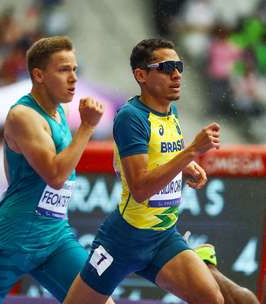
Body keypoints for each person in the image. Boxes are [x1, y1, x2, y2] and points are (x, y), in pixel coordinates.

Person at [64, 38, 258, 304]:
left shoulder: (171, 111)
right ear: (141, 75)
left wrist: (186, 168)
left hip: (163, 236)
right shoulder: (131, 117)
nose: (176, 74)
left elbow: (161, 157)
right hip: (124, 241)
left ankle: (201, 264)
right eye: (166, 67)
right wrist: (191, 152)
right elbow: (141, 189)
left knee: (213, 299)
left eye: (178, 65)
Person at [0, 36, 114, 304]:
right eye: (64, 69)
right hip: (14, 238)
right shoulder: (23, 116)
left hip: (54, 236)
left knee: (99, 301)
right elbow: (55, 176)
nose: (74, 78)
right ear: (39, 75)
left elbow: (20, 176)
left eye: (75, 69)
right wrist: (87, 128)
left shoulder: (59, 113)